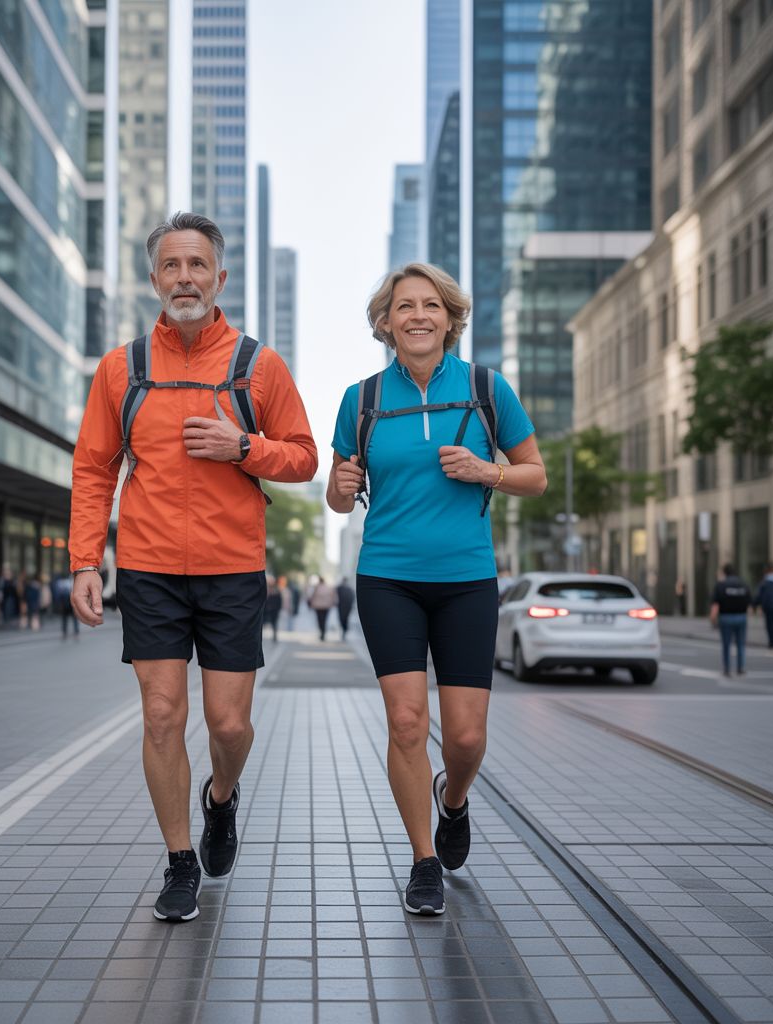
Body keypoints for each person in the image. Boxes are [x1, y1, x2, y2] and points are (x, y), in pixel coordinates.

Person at [69, 212, 318, 922]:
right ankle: (179, 860)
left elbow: (303, 456)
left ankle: (220, 798)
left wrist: (244, 447)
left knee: (229, 725)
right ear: (154, 281)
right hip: (147, 566)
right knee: (159, 715)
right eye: (172, 267)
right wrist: (87, 558)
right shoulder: (122, 368)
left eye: (197, 265)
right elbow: (93, 469)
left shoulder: (257, 365)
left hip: (232, 567)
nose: (185, 278)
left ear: (220, 278)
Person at [327, 262, 546, 915]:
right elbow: (342, 494)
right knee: (405, 721)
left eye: (431, 306)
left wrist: (488, 471)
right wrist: (339, 491)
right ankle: (424, 859)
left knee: (467, 738)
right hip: (387, 576)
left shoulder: (486, 388)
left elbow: (534, 474)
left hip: (468, 580)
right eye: (404, 307)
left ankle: (454, 800)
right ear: (385, 323)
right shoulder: (360, 399)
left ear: (450, 318)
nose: (418, 316)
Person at [710, 563, 752, 676]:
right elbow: (749, 603)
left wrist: (713, 620)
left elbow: (715, 605)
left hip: (726, 617)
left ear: (724, 572)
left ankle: (727, 669)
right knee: (741, 644)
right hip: (741, 616)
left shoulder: (721, 585)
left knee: (726, 644)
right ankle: (740, 667)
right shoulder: (743, 584)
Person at [753, 561, 773, 649]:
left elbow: (759, 595)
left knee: (769, 624)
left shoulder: (765, 582)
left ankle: (771, 641)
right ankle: (772, 640)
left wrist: (754, 605)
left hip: (768, 606)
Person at [308, 576, 338, 641]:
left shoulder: (316, 587)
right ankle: (323, 632)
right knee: (324, 620)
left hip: (318, 606)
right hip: (327, 606)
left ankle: (322, 632)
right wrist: (333, 602)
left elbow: (312, 596)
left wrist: (310, 603)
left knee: (319, 619)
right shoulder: (328, 587)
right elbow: (333, 596)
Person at [52, 571, 79, 639]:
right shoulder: (73, 582)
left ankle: (64, 633)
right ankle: (76, 633)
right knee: (74, 619)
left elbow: (57, 594)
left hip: (64, 603)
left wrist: (58, 603)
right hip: (72, 603)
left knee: (64, 619)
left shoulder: (60, 583)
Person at [264, 576, 283, 643]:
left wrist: (278, 608)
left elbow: (279, 600)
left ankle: (274, 635)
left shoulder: (277, 590)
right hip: (267, 610)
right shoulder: (266, 589)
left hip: (274, 610)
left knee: (274, 623)